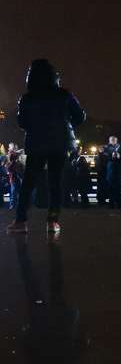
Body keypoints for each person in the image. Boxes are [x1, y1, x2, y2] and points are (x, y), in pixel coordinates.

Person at [8, 60, 85, 234]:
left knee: (28, 183)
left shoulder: (27, 98)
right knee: (55, 183)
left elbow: (23, 123)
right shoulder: (64, 94)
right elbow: (80, 116)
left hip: (36, 143)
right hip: (60, 143)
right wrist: (65, 126)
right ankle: (52, 221)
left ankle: (20, 221)